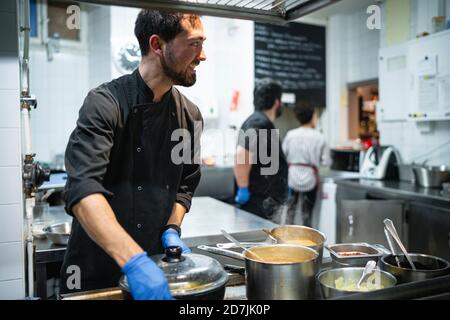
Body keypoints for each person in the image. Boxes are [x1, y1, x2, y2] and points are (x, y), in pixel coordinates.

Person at [60, 10, 206, 300]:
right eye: (194, 43)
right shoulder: (104, 103)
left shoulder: (189, 115)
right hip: (95, 276)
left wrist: (171, 227)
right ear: (156, 45)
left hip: (155, 270)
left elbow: (185, 185)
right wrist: (134, 261)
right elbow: (83, 189)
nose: (202, 55)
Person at [233, 79, 288, 221]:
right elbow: (241, 155)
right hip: (259, 204)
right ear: (277, 102)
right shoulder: (259, 123)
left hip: (265, 202)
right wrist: (243, 189)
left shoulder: (259, 121)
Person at [282, 102, 330, 227]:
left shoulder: (290, 135)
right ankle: (308, 240)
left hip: (292, 177)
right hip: (311, 179)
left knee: (290, 212)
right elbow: (326, 161)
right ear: (313, 116)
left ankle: (287, 238)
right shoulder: (319, 137)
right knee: (307, 214)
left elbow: (283, 156)